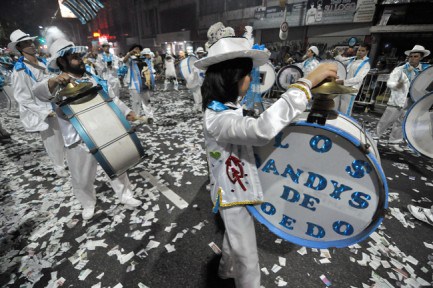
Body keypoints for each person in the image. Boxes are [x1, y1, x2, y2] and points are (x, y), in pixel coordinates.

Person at [195, 23, 337, 288]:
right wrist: (306, 83)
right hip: (233, 191)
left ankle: (225, 271)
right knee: (248, 256)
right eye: (248, 75)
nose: (252, 81)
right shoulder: (217, 118)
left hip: (237, 186)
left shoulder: (224, 106)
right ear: (233, 77)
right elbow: (260, 130)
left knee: (235, 238)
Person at [33, 38, 143, 220]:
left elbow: (111, 98)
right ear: (62, 61)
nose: (81, 60)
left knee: (117, 165)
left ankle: (126, 196)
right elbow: (39, 92)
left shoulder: (91, 77)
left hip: (102, 129)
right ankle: (87, 203)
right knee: (81, 177)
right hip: (77, 138)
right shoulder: (53, 81)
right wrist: (53, 81)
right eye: (75, 57)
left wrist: (127, 111)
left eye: (79, 56)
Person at [8, 29, 67, 177]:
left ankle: (67, 161)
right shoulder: (20, 70)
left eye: (31, 42)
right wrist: (44, 111)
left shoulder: (43, 62)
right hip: (44, 109)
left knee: (65, 135)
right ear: (20, 48)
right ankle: (59, 166)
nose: (31, 45)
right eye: (26, 43)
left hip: (57, 103)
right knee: (52, 140)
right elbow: (23, 98)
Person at [373, 45, 431, 151]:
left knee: (402, 121)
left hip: (413, 100)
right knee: (386, 120)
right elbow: (390, 82)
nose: (412, 58)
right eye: (411, 56)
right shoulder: (400, 69)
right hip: (398, 99)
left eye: (416, 56)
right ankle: (375, 137)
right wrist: (396, 85)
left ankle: (394, 141)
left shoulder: (425, 71)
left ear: (421, 58)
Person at [334, 43, 371, 116]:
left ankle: (344, 126)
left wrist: (343, 82)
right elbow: (341, 60)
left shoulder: (366, 64)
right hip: (343, 87)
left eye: (362, 51)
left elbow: (358, 79)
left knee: (345, 111)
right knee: (338, 109)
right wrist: (336, 54)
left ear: (367, 52)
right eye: (358, 50)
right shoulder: (353, 59)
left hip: (351, 90)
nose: (359, 52)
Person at [123, 44, 154, 117]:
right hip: (134, 84)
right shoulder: (130, 59)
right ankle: (136, 117)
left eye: (138, 49)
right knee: (136, 102)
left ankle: (150, 116)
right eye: (135, 49)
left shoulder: (143, 58)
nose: (137, 50)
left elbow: (149, 64)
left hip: (144, 83)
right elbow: (124, 60)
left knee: (147, 101)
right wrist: (130, 53)